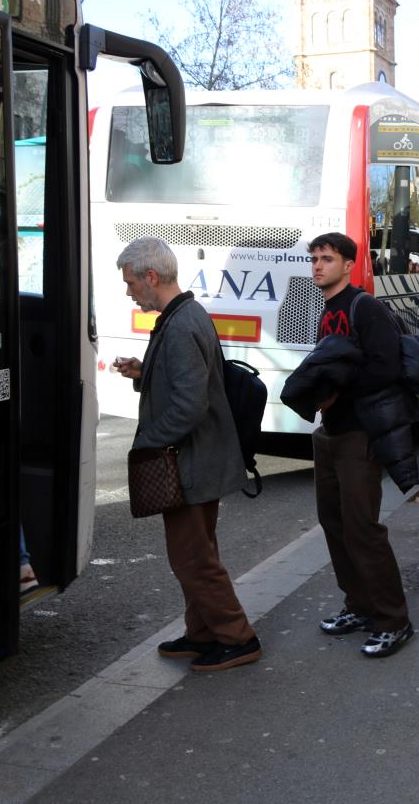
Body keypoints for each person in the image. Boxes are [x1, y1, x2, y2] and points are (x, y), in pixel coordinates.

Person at [113, 236, 261, 673]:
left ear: (151, 276)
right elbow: (189, 383)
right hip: (196, 460)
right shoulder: (185, 315)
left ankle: (238, 638)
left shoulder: (180, 325)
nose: (128, 291)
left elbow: (190, 405)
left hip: (190, 464)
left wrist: (149, 441)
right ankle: (202, 633)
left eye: (130, 282)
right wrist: (144, 373)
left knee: (193, 560)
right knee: (197, 553)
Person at [306, 232, 415, 658]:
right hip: (329, 433)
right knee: (334, 524)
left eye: (327, 258)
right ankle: (359, 605)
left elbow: (387, 368)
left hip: (359, 434)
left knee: (362, 529)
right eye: (314, 258)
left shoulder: (364, 307)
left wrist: (338, 393)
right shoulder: (327, 309)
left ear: (349, 265)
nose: (318, 265)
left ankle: (394, 620)